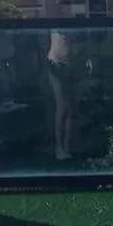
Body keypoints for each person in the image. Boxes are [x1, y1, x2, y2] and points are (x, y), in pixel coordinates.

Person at [47, 30, 76, 161]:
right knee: (61, 106)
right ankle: (59, 148)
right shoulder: (55, 17)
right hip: (55, 64)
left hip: (69, 64)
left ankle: (66, 147)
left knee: (70, 109)